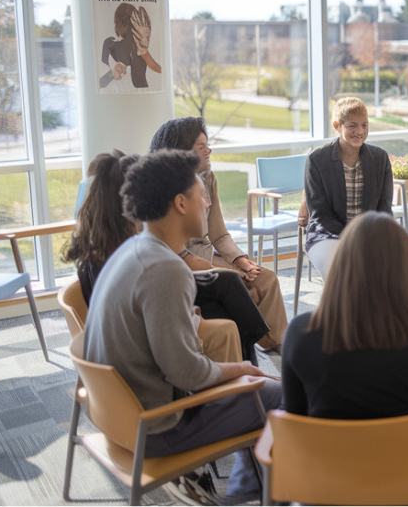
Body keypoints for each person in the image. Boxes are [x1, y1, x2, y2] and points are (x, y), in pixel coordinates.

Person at [81, 149, 281, 503]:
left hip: (118, 417)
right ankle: (250, 493)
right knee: (283, 394)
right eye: (200, 193)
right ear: (181, 203)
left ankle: (249, 489)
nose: (207, 202)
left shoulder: (133, 251)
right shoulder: (166, 269)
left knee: (256, 387)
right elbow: (189, 374)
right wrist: (243, 367)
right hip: (155, 427)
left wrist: (186, 329)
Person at [63, 150, 265, 364]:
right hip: (144, 348)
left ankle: (250, 358)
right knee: (223, 308)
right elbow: (186, 369)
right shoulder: (134, 254)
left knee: (225, 284)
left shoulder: (118, 244)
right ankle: (249, 361)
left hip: (132, 339)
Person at [281, 212, 408, 444]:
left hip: (321, 476)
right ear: (405, 269)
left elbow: (292, 424)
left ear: (341, 262)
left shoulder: (300, 332)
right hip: (404, 477)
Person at [150, 117, 288, 351]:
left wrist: (240, 260)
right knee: (241, 284)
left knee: (265, 278)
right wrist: (224, 270)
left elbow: (219, 234)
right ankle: (250, 342)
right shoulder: (163, 188)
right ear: (181, 152)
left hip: (207, 255)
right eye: (200, 146)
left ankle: (277, 343)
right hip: (183, 263)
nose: (209, 150)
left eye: (208, 144)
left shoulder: (209, 179)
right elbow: (174, 250)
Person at [303, 97, 393, 280]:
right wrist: (350, 236)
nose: (359, 131)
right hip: (326, 235)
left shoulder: (380, 158)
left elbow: (384, 208)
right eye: (352, 126)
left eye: (364, 125)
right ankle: (341, 308)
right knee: (340, 273)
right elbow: (320, 213)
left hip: (369, 233)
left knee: (384, 273)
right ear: (337, 125)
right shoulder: (317, 160)